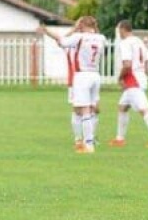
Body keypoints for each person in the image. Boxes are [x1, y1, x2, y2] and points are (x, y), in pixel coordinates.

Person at [42, 15, 107, 152]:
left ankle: (88, 144)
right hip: (95, 74)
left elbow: (61, 40)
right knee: (92, 108)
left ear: (81, 25)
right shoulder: (101, 38)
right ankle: (88, 140)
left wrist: (47, 31)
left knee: (84, 110)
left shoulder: (79, 37)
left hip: (82, 75)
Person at [109, 21, 148, 148]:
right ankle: (120, 139)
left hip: (133, 80)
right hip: (140, 77)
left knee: (144, 110)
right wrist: (144, 75)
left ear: (122, 29)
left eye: (118, 30)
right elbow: (147, 61)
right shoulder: (139, 41)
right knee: (122, 107)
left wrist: (120, 78)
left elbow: (127, 65)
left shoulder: (125, 43)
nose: (118, 33)